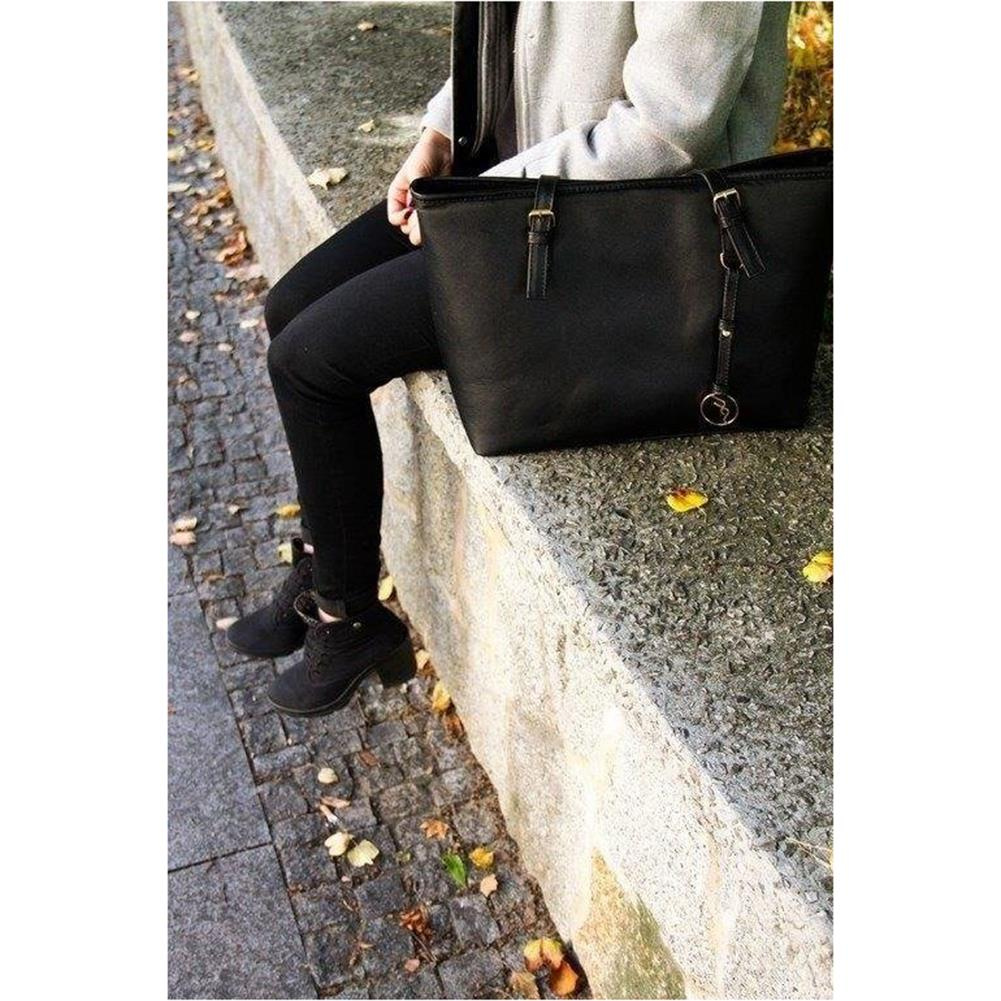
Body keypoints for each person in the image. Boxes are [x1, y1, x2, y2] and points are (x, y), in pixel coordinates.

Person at [226, 1, 791, 716]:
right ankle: (322, 565)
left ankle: (348, 617)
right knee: (292, 307)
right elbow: (501, 25)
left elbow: (668, 127)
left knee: (312, 362)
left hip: (613, 227)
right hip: (512, 185)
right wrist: (440, 134)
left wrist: (483, 198)